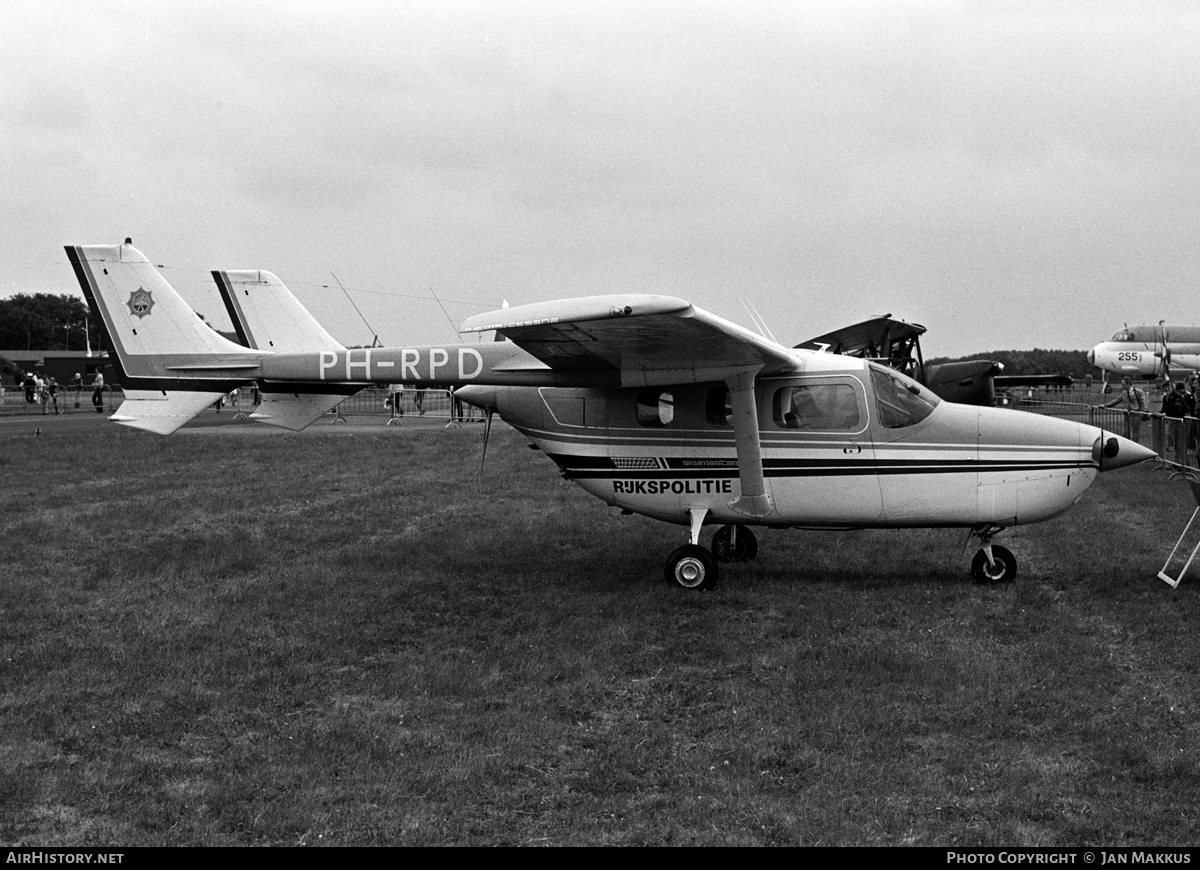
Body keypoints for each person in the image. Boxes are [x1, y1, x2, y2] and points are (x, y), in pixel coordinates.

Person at [1103, 376, 1148, 441]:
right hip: (1127, 415)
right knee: (1126, 433)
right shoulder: (1124, 393)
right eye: (1122, 384)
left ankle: (1135, 446)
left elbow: (1143, 403)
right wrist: (1104, 406)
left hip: (1135, 415)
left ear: (1128, 384)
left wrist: (1140, 414)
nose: (1122, 386)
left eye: (1123, 384)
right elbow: (1116, 401)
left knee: (1135, 433)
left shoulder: (1138, 392)